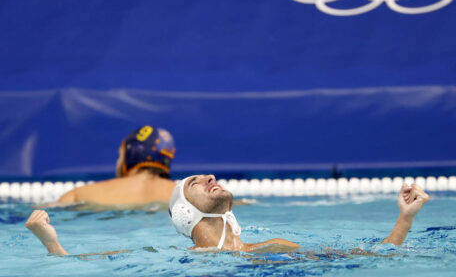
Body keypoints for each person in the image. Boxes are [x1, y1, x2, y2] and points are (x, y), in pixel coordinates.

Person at [25, 174, 430, 255]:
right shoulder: (166, 259)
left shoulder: (275, 247)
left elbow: (375, 259)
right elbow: (80, 265)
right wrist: (52, 242)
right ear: (185, 213)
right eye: (197, 182)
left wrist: (405, 219)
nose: (211, 176)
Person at [56, 125, 176, 207]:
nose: (118, 162)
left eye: (120, 156)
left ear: (130, 155)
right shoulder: (185, 196)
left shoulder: (78, 195)